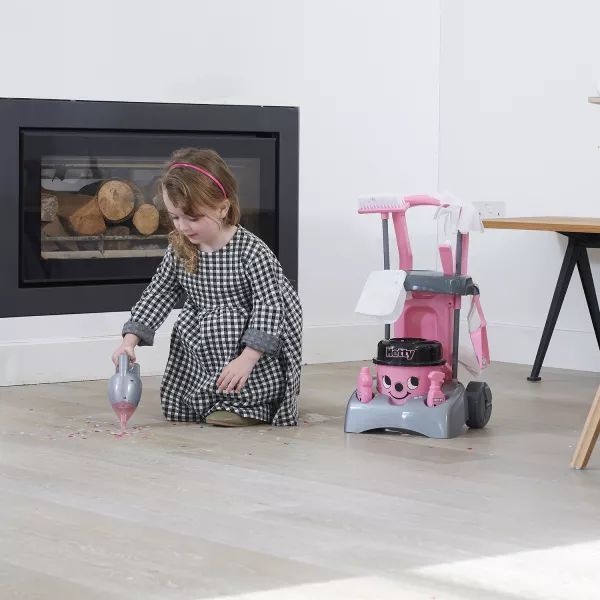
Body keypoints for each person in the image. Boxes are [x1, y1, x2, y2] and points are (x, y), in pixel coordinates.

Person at [111, 148, 302, 427]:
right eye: (175, 217)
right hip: (203, 336)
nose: (183, 227)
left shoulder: (252, 252)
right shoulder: (180, 248)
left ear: (222, 208)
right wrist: (129, 341)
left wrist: (248, 358)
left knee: (227, 327)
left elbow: (269, 306)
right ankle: (208, 397)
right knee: (179, 399)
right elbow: (159, 292)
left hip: (248, 339)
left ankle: (250, 404)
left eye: (193, 218)